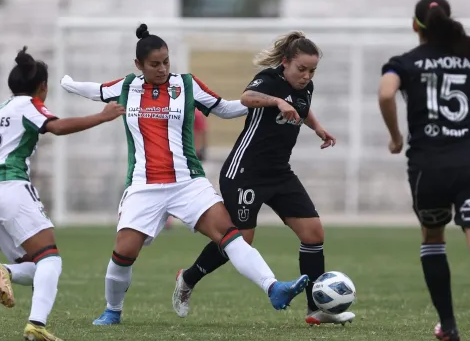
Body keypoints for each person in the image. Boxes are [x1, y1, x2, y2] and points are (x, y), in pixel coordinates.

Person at [59, 23, 310, 326]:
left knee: (230, 236)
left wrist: (268, 101)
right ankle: (113, 310)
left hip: (187, 182)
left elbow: (226, 109)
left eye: (166, 61)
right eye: (155, 64)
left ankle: (273, 287)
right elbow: (96, 90)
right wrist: (67, 83)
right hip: (144, 185)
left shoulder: (187, 85)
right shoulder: (127, 86)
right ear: (139, 65)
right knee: (123, 253)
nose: (163, 68)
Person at [172, 31, 356, 326]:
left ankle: (315, 310)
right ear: (286, 63)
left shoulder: (306, 88)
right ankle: (188, 278)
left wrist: (318, 127)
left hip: (279, 173)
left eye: (312, 70)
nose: (307, 76)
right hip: (244, 171)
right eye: (301, 69)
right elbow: (247, 97)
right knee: (240, 240)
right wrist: (276, 102)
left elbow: (303, 109)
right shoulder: (269, 80)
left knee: (313, 234)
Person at [0, 47, 125, 341]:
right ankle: (36, 325)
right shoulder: (29, 105)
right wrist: (102, 116)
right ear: (42, 87)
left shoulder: (3, 110)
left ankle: (4, 271)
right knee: (51, 259)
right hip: (11, 187)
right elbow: (55, 127)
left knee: (31, 266)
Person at [379, 0, 470, 341]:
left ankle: (448, 326)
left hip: (427, 168)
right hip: (468, 162)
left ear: (415, 26)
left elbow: (387, 94)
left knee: (434, 238)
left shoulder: (403, 62)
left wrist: (396, 137)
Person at [165, 109, 207, 229]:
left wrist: (199, 151)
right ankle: (169, 218)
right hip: (176, 155)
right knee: (171, 185)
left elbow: (201, 132)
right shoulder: (174, 111)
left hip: (190, 156)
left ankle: (195, 217)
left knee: (192, 187)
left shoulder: (195, 114)